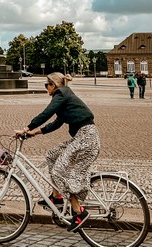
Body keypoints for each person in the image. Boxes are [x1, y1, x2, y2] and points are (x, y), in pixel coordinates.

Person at [15, 72, 99, 233]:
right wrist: (34, 133)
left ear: (53, 85)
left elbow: (47, 113)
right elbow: (56, 124)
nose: (46, 88)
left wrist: (27, 128)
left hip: (86, 138)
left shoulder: (61, 94)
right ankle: (57, 196)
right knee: (52, 155)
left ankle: (79, 212)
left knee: (61, 171)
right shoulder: (66, 97)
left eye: (46, 85)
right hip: (83, 137)